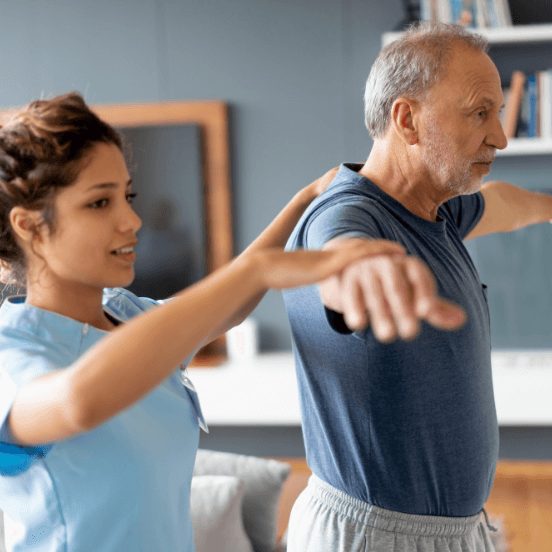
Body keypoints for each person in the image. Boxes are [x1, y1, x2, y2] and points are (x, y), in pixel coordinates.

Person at [0, 92, 461, 551]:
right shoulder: (12, 354)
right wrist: (257, 271)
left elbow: (223, 311)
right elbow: (79, 401)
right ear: (30, 226)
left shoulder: (123, 315)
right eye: (100, 204)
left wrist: (305, 202)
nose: (132, 220)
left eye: (127, 196)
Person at [283, 22, 552, 552]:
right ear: (407, 119)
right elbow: (338, 258)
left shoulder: (434, 209)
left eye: (498, 113)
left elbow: (501, 202)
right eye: (480, 113)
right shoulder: (348, 213)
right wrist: (364, 276)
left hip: (453, 531)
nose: (499, 135)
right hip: (373, 537)